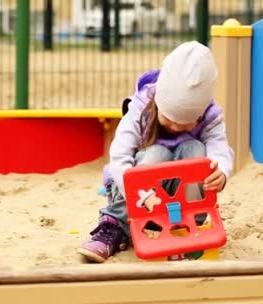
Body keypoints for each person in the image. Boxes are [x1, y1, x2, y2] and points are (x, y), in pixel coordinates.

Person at [77, 41, 235, 263]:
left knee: (197, 150)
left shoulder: (210, 116)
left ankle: (189, 221)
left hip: (176, 194)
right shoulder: (141, 108)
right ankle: (113, 225)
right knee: (156, 155)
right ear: (159, 103)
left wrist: (222, 172)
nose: (177, 127)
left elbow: (220, 148)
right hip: (133, 191)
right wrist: (139, 193)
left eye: (187, 122)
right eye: (170, 118)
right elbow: (119, 156)